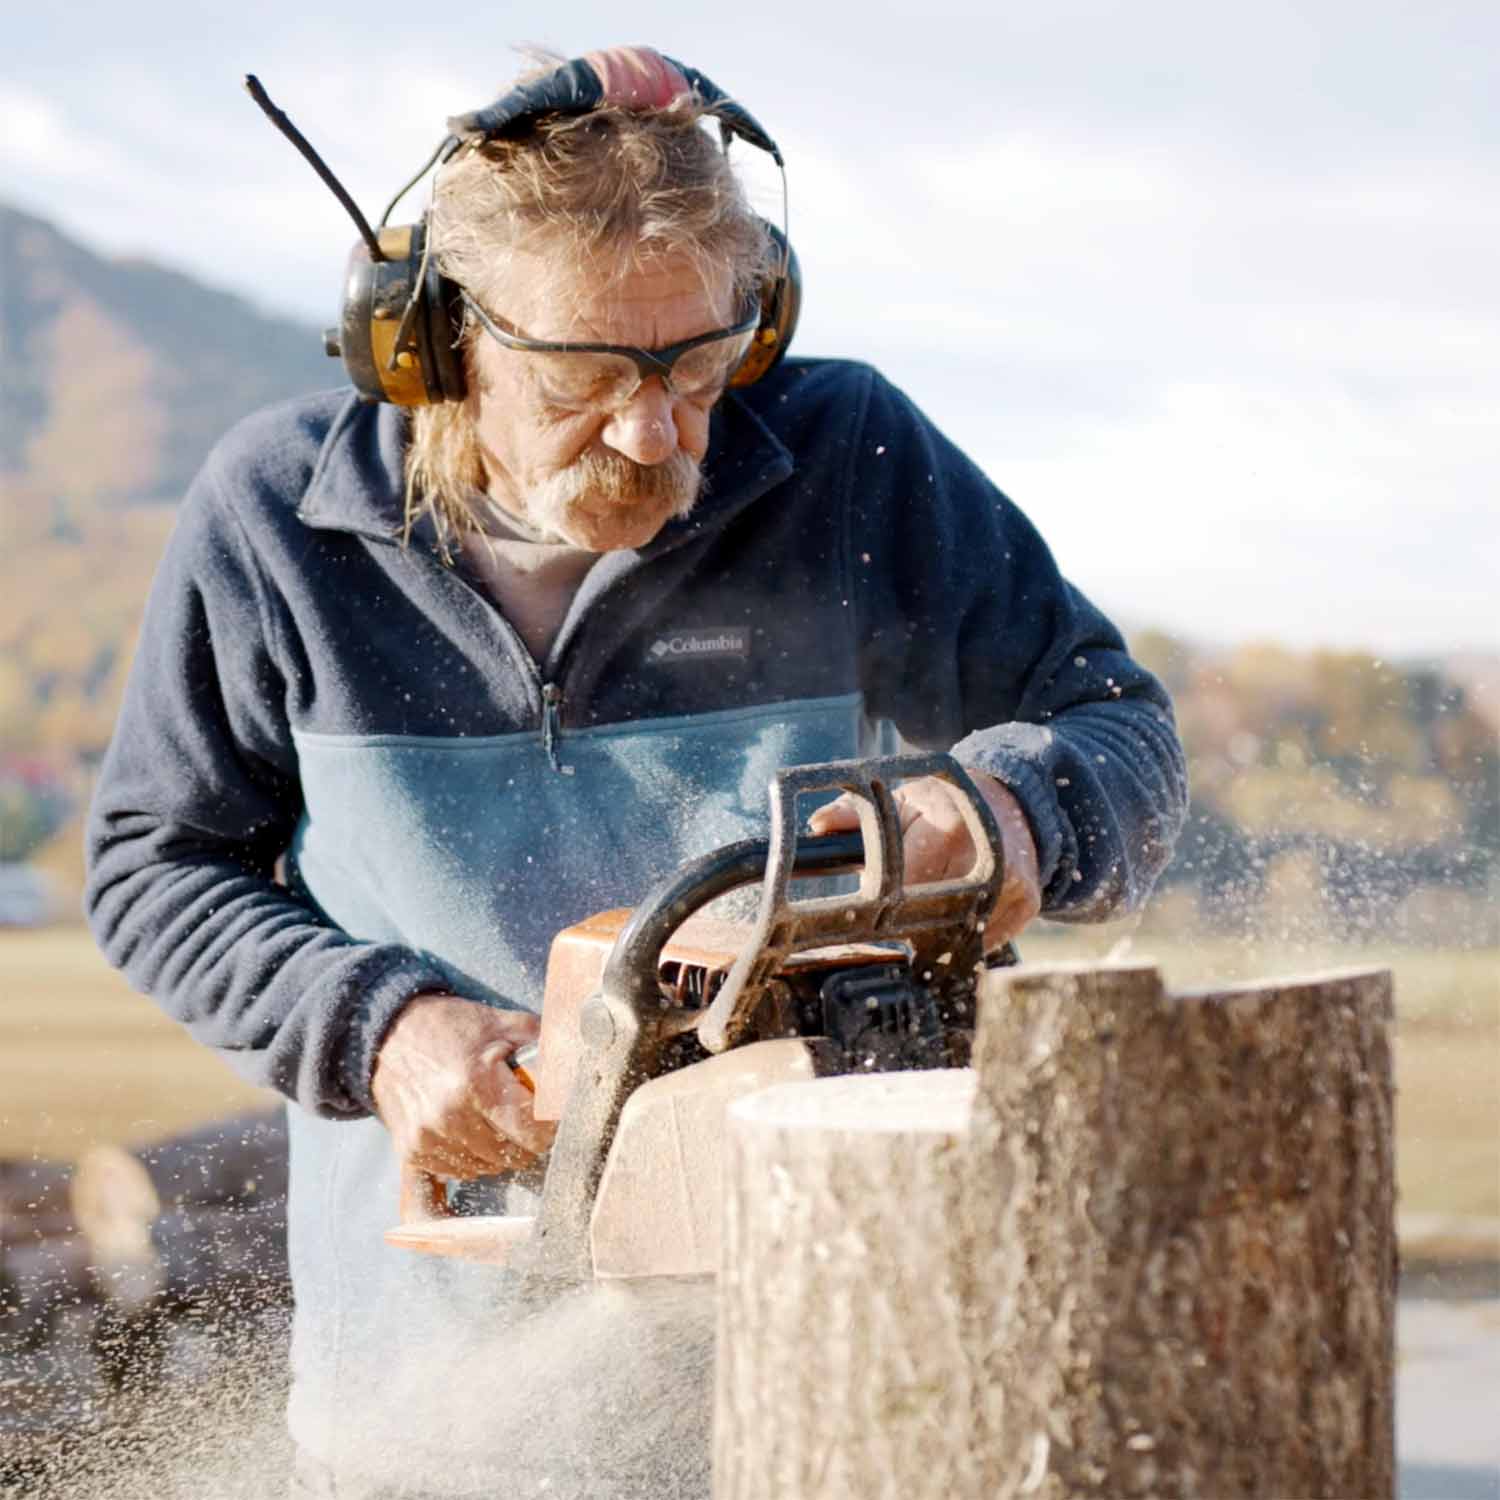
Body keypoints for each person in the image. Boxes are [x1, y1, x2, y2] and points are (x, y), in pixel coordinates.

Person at [84, 45, 1187, 1499]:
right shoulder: (276, 525)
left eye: (697, 365)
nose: (657, 431)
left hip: (847, 1391)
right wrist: (379, 1029)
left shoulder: (851, 458)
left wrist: (1003, 813)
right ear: (437, 341)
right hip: (422, 1412)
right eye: (591, 375)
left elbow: (1119, 730)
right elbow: (155, 867)